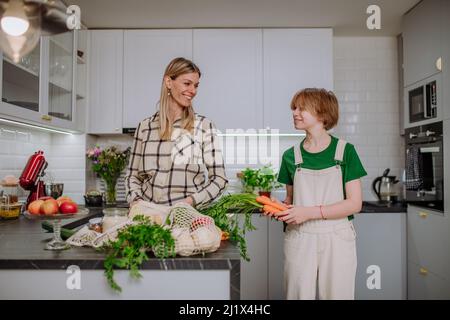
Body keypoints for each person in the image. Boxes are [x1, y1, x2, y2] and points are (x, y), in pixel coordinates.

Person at [269, 88, 367, 300]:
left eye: (302, 108)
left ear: (322, 114)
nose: (295, 112)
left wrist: (309, 212)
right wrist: (281, 208)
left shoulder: (345, 151)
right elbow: (292, 200)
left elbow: (354, 204)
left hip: (337, 236)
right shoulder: (290, 156)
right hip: (299, 236)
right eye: (294, 108)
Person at [125, 57, 228, 211]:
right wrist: (136, 201)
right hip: (147, 218)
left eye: (196, 85)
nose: (193, 91)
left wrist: (191, 201)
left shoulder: (204, 127)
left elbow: (220, 179)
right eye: (187, 83)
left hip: (186, 217)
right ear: (168, 82)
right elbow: (132, 176)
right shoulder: (145, 127)